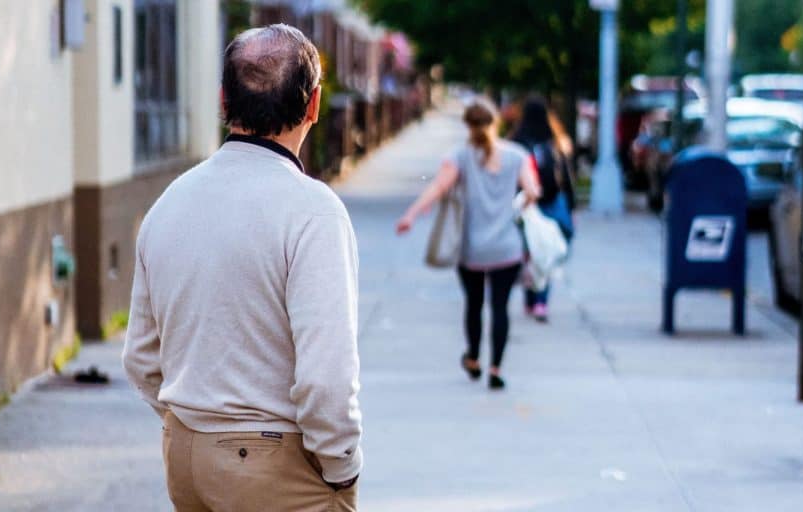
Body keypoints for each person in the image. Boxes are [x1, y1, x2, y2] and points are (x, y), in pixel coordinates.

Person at [123, 25, 362, 512]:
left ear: (222, 101)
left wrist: (193, 420)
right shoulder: (312, 211)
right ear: (314, 105)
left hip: (186, 454)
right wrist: (342, 466)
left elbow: (141, 359)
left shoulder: (169, 203)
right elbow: (326, 380)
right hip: (276, 465)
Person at [396, 99, 540, 390]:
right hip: (507, 248)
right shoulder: (517, 155)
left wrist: (410, 215)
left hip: (471, 248)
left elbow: (438, 188)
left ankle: (473, 359)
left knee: (474, 305)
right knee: (500, 308)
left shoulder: (459, 157)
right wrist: (517, 209)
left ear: (468, 126)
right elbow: (533, 191)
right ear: (495, 122)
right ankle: (496, 368)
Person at [510, 97, 577, 322]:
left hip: (526, 203)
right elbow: (566, 178)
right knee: (546, 251)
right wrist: (571, 207)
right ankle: (541, 301)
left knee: (530, 251)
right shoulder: (555, 142)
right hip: (551, 201)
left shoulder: (516, 141)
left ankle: (530, 299)